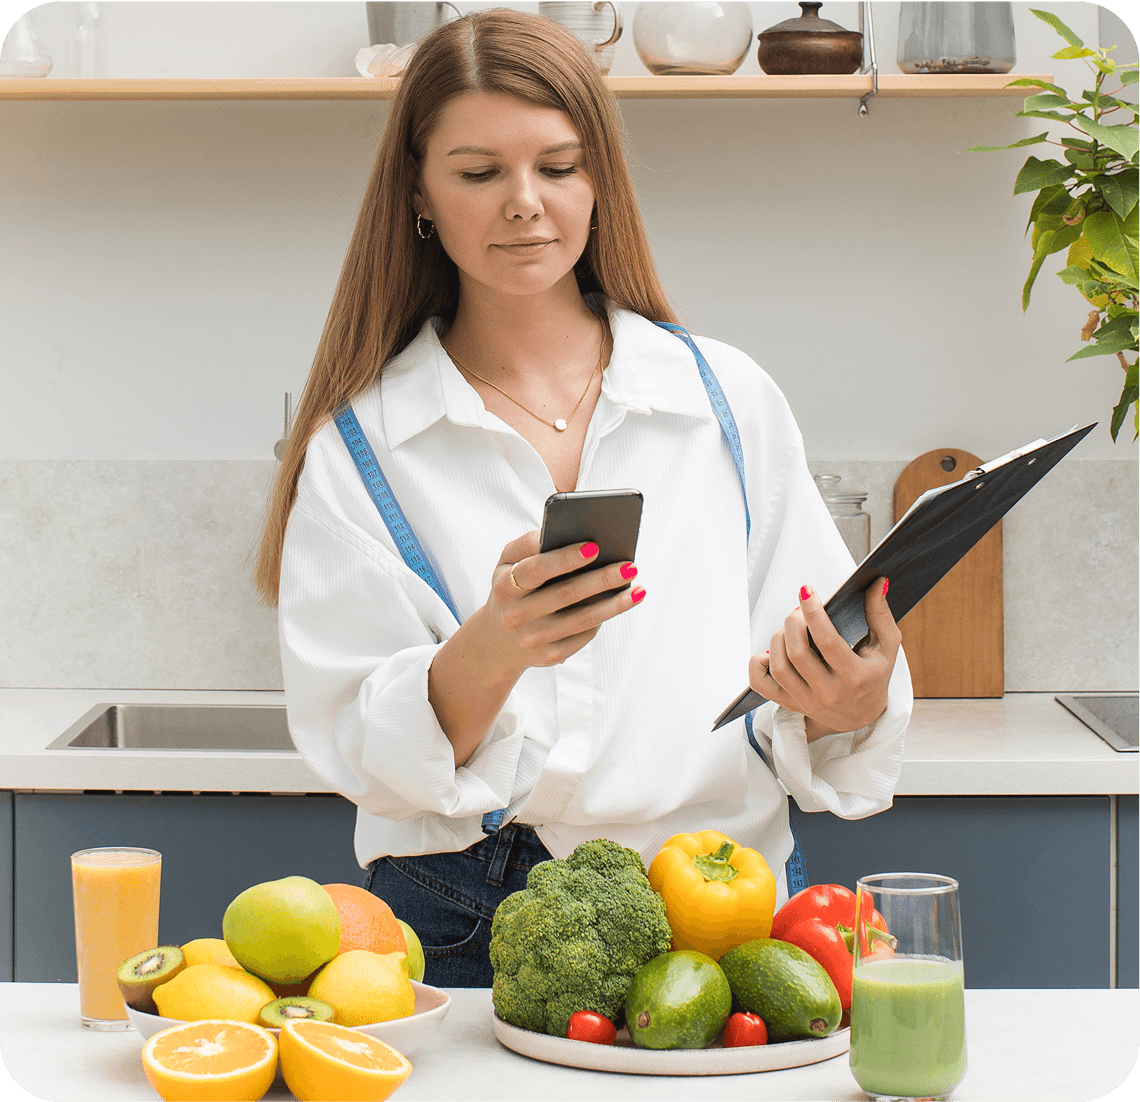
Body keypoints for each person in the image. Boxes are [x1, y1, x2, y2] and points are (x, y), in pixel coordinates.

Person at [254, 9, 911, 988]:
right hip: (467, 917)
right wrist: (495, 644)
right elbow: (356, 741)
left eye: (558, 167)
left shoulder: (723, 401)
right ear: (419, 194)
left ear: (600, 179)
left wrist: (848, 700)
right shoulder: (360, 449)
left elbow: (807, 673)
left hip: (728, 905)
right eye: (480, 173)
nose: (525, 202)